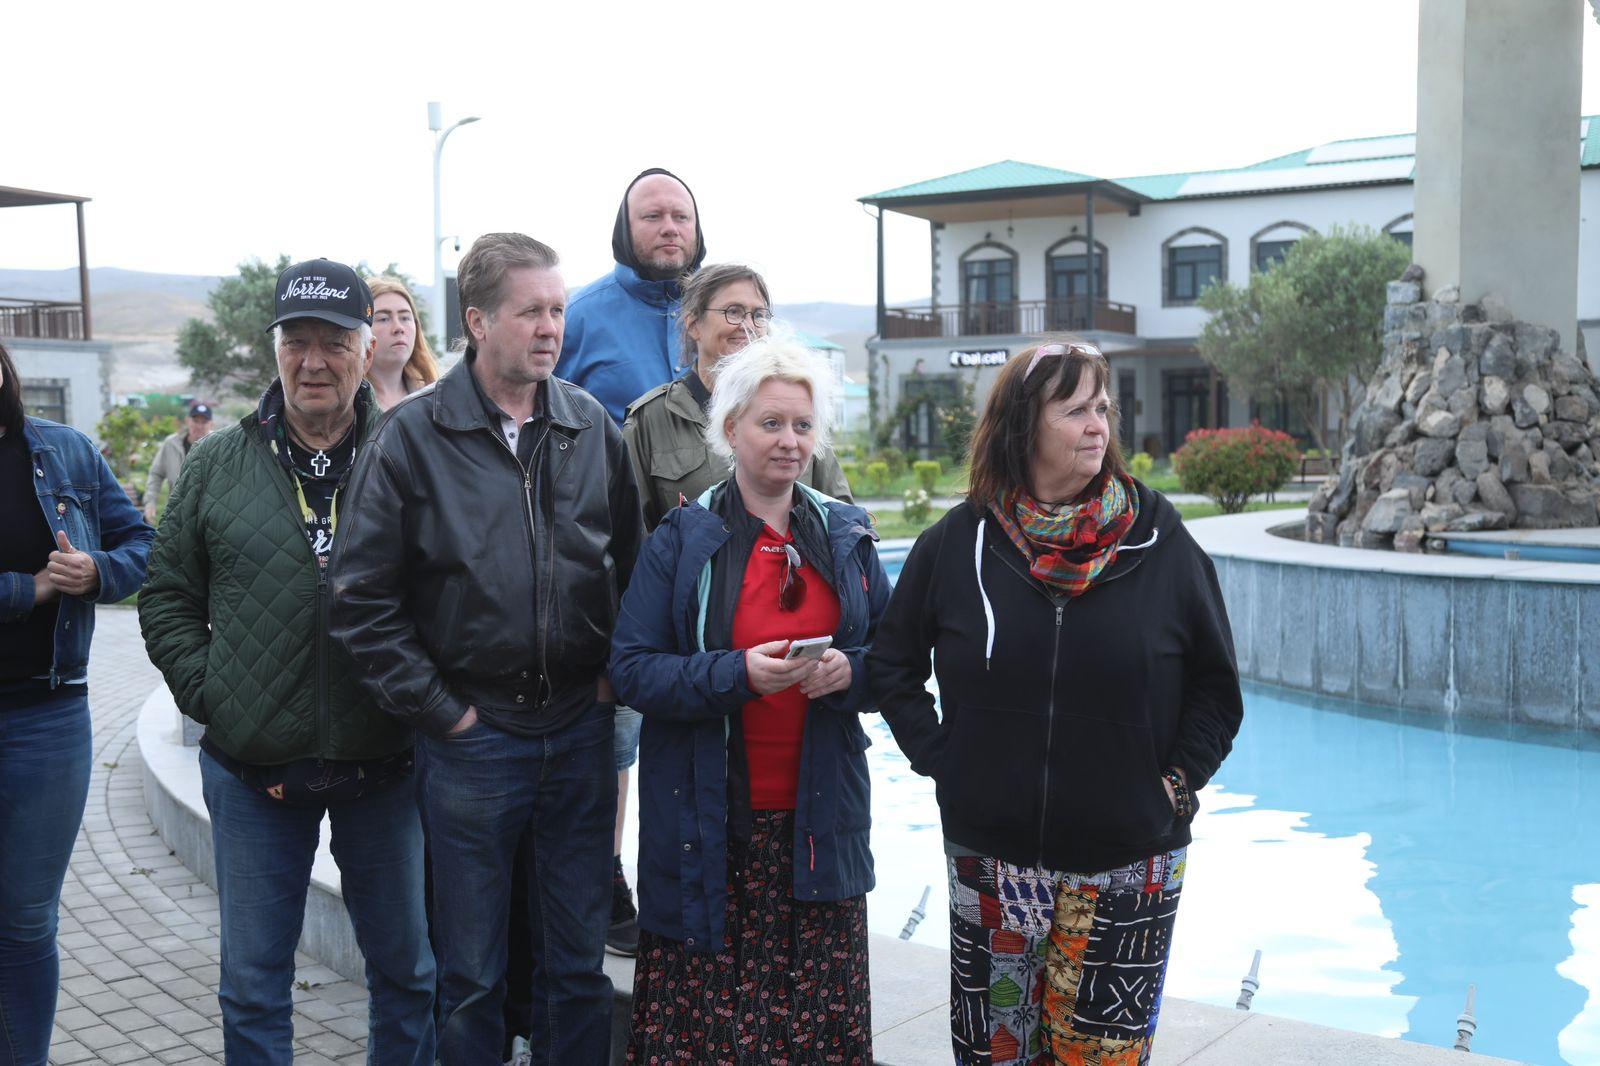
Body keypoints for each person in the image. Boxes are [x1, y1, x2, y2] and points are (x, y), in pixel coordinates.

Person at [866, 341, 1244, 1066]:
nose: (1097, 425)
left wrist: (1173, 784)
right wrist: (947, 762)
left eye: (1102, 406)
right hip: (992, 861)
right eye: (1074, 410)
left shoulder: (1160, 540)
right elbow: (892, 666)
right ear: (1022, 426)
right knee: (994, 1058)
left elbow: (1217, 689)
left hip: (1128, 864)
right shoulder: (959, 543)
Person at [328, 232, 644, 1064]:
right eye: (531, 311)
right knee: (469, 976)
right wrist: (446, 715)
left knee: (576, 968)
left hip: (578, 733)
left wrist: (608, 685)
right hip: (473, 743)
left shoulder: (589, 427)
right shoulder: (410, 438)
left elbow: (633, 571)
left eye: (559, 310)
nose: (551, 328)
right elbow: (360, 602)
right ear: (476, 321)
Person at [139, 259, 436, 1065]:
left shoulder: (415, 457)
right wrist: (217, 697)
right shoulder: (216, 465)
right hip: (251, 773)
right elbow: (166, 596)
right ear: (273, 349)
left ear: (367, 347)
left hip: (387, 767)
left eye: (333, 342)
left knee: (408, 975)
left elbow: (459, 594)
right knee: (252, 985)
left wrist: (427, 703)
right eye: (295, 342)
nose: (313, 362)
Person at [610, 335, 889, 1065]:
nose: (790, 441)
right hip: (710, 827)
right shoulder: (683, 537)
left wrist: (849, 673)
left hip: (817, 828)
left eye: (802, 425)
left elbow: (893, 661)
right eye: (771, 423)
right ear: (730, 429)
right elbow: (632, 670)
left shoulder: (846, 534)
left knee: (811, 1032)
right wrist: (737, 675)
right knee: (709, 1036)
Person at [560, 166, 706, 958]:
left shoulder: (721, 313)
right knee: (613, 743)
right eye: (651, 215)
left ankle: (693, 892)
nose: (668, 227)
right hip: (615, 575)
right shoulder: (581, 318)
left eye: (680, 214)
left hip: (716, 584)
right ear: (625, 228)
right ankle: (605, 881)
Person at [0, 340, 152, 1066]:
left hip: (47, 717)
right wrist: (27, 589)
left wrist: (97, 572)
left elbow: (144, 543)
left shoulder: (64, 452)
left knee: (27, 922)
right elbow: (30, 588)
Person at [624, 263, 853, 529]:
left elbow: (840, 518)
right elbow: (631, 531)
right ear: (693, 324)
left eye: (758, 315)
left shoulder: (796, 411)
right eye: (733, 312)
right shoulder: (651, 419)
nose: (748, 326)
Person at [366, 275, 440, 410]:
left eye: (405, 318)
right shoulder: (349, 403)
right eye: (383, 319)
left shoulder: (435, 399)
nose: (398, 328)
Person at [142, 401, 214, 522]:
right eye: (195, 421)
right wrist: (150, 502)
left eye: (204, 422)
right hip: (177, 514)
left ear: (211, 424)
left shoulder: (219, 446)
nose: (199, 426)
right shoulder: (171, 443)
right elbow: (156, 474)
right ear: (187, 421)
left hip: (209, 516)